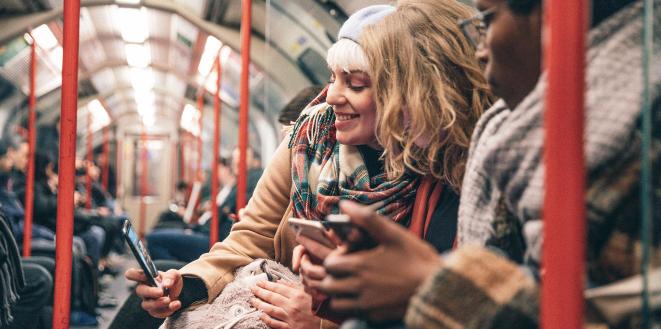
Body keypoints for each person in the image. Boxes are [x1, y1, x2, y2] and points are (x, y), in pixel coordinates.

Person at [126, 4, 489, 328]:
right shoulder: (310, 136)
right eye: (333, 78)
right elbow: (253, 236)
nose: (332, 96)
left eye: (356, 83)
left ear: (402, 95)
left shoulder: (447, 181)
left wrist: (320, 321)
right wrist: (187, 285)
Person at [318, 0, 660, 327]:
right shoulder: (476, 158)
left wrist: (435, 287)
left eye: (487, 20)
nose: (480, 49)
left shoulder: (635, 150)